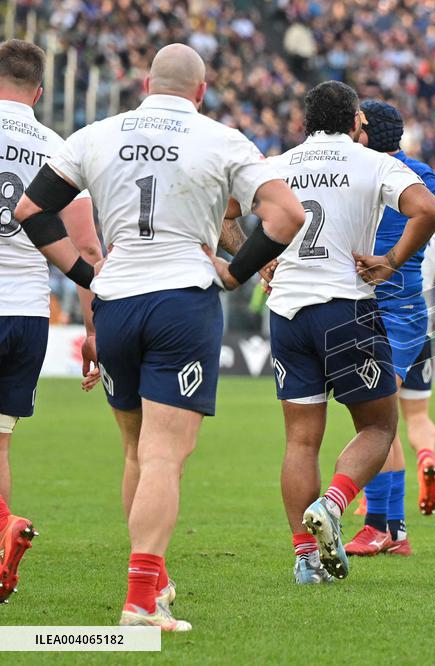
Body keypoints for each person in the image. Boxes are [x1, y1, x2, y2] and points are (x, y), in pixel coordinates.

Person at [16, 43, 304, 629]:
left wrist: (86, 274)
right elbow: (286, 216)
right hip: (182, 300)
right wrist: (232, 272)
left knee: (136, 452)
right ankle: (142, 602)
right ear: (201, 92)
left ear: (146, 83)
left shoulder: (95, 134)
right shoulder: (221, 137)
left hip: (118, 300)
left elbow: (30, 210)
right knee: (166, 455)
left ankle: (156, 582)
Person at [264, 82, 435, 581]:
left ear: (304, 122)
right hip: (347, 307)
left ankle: (304, 560)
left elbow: (229, 215)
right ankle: (335, 504)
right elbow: (429, 211)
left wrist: (260, 261)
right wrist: (390, 261)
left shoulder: (279, 165)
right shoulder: (372, 161)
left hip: (287, 313)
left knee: (300, 441)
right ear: (356, 124)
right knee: (379, 426)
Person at [0, 39, 101, 603]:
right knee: (1, 444)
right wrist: (92, 333)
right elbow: (86, 249)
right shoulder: (58, 149)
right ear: (39, 92)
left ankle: (3, 527)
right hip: (28, 314)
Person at [343, 100, 435, 558]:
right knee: (381, 415)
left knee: (376, 413)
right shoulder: (423, 174)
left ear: (364, 134)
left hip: (390, 308)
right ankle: (393, 530)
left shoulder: (364, 170)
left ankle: (381, 525)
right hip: (395, 307)